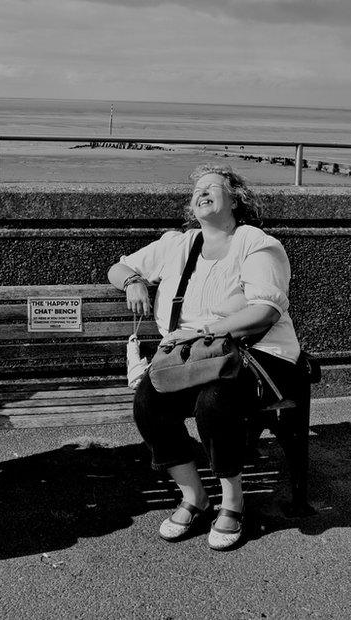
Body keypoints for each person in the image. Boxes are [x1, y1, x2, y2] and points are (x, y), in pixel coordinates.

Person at [107, 164, 303, 551]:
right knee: (149, 401)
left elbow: (264, 311)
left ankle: (233, 502)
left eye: (213, 187)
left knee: (214, 402)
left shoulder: (256, 243)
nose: (202, 193)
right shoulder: (176, 244)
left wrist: (202, 331)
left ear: (236, 199)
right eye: (197, 190)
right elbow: (119, 266)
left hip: (254, 354)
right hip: (191, 358)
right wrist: (133, 281)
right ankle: (195, 497)